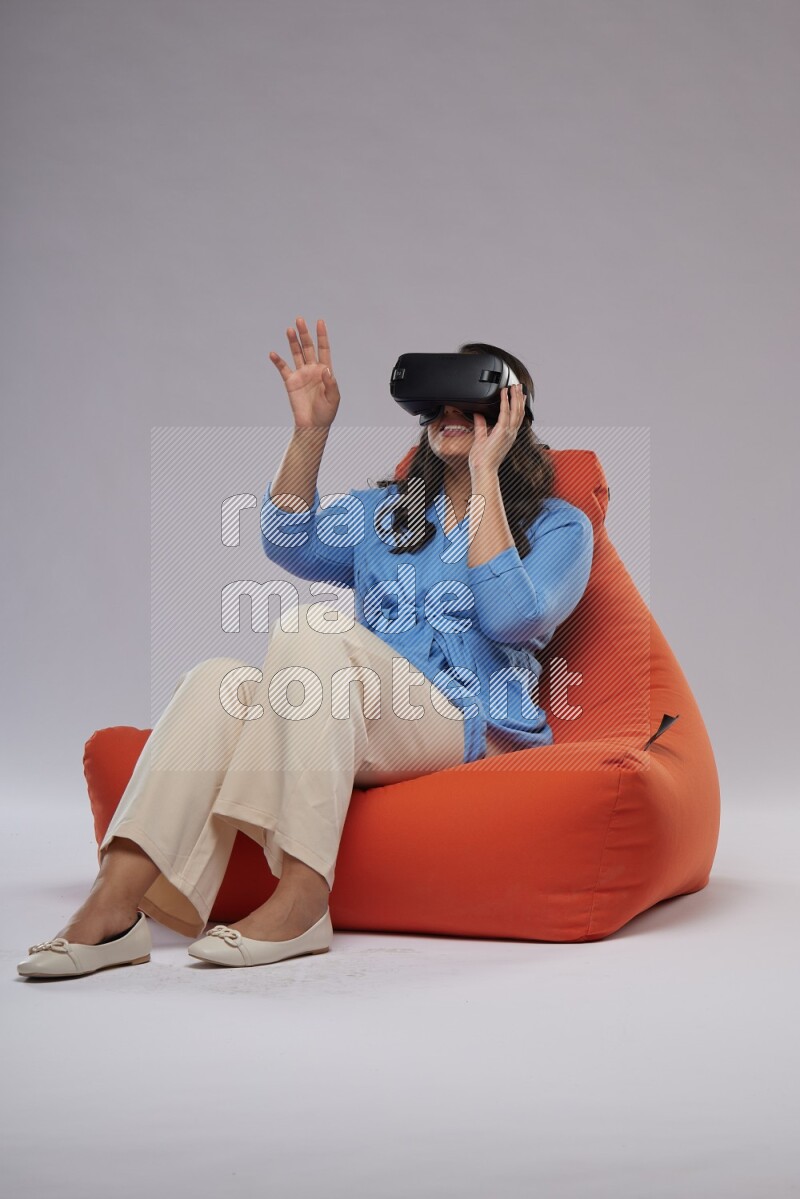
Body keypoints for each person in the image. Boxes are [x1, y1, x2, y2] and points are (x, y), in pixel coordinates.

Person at [17, 316, 593, 979]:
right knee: (216, 682)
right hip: (372, 713)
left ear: (511, 415)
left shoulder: (559, 527)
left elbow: (512, 615)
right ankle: (114, 906)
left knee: (312, 628)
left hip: (471, 725)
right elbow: (288, 537)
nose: (451, 415)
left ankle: (301, 897)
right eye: (439, 404)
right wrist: (310, 432)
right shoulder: (388, 513)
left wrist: (486, 476)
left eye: (473, 405)